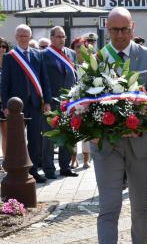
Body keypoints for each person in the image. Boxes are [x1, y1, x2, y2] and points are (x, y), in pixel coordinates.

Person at [92, 7, 147, 244]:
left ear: (133, 28)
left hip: (140, 141)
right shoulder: (97, 59)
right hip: (106, 146)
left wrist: (142, 120)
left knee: (139, 204)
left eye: (124, 29)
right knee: (108, 208)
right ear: (107, 30)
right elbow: (84, 100)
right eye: (114, 30)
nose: (119, 35)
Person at [1, 24, 51, 183]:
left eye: (26, 35)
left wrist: (47, 101)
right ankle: (15, 170)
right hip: (16, 107)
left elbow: (45, 80)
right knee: (16, 139)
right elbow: (4, 83)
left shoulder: (38, 55)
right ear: (16, 37)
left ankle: (33, 170)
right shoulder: (10, 56)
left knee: (35, 138)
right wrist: (5, 106)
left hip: (36, 104)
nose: (23, 38)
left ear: (30, 37)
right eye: (20, 35)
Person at [42, 26, 78, 179]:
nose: (61, 39)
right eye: (58, 37)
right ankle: (49, 169)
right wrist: (46, 100)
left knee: (67, 134)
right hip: (52, 100)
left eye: (63, 37)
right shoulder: (43, 55)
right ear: (51, 38)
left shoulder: (71, 54)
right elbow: (43, 79)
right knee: (49, 137)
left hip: (69, 102)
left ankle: (65, 167)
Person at [70, 37, 90, 168]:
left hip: (87, 100)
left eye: (83, 47)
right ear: (72, 48)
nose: (80, 50)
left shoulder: (90, 64)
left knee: (86, 130)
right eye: (77, 46)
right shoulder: (69, 63)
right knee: (72, 130)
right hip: (72, 100)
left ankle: (86, 159)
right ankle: (73, 159)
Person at [0, 38, 10, 165]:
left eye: (4, 46)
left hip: (5, 104)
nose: (1, 48)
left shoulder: (10, 62)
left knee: (6, 134)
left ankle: (6, 161)